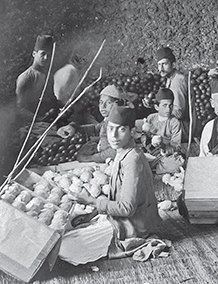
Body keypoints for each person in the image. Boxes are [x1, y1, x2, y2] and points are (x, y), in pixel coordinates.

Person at [59, 106, 162, 265]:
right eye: (110, 129)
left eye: (120, 130)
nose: (113, 136)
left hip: (135, 225)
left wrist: (92, 202)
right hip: (121, 218)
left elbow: (126, 208)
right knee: (67, 230)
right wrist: (92, 215)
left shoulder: (132, 160)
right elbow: (117, 195)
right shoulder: (122, 153)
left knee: (64, 247)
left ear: (132, 132)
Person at [57, 84, 123, 163]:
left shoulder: (119, 124)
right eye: (101, 103)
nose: (103, 106)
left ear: (117, 104)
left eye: (108, 103)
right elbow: (96, 128)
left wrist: (92, 158)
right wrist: (74, 127)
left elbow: (114, 151)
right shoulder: (108, 120)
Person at [16, 35, 60, 123]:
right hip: (32, 123)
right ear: (34, 54)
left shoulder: (49, 76)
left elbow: (52, 99)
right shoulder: (25, 77)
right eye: (42, 54)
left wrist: (63, 107)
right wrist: (39, 119)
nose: (46, 58)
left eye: (48, 55)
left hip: (49, 119)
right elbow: (19, 108)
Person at [155, 47, 190, 140]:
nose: (161, 68)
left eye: (164, 64)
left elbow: (179, 113)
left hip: (180, 127)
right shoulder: (170, 79)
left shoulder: (178, 81)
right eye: (159, 65)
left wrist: (159, 109)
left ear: (173, 64)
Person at [141, 87, 182, 156]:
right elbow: (144, 141)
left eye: (170, 105)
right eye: (164, 105)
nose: (168, 109)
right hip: (150, 151)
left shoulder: (174, 123)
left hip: (166, 155)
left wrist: (162, 145)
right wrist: (145, 132)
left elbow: (176, 147)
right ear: (156, 107)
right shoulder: (151, 118)